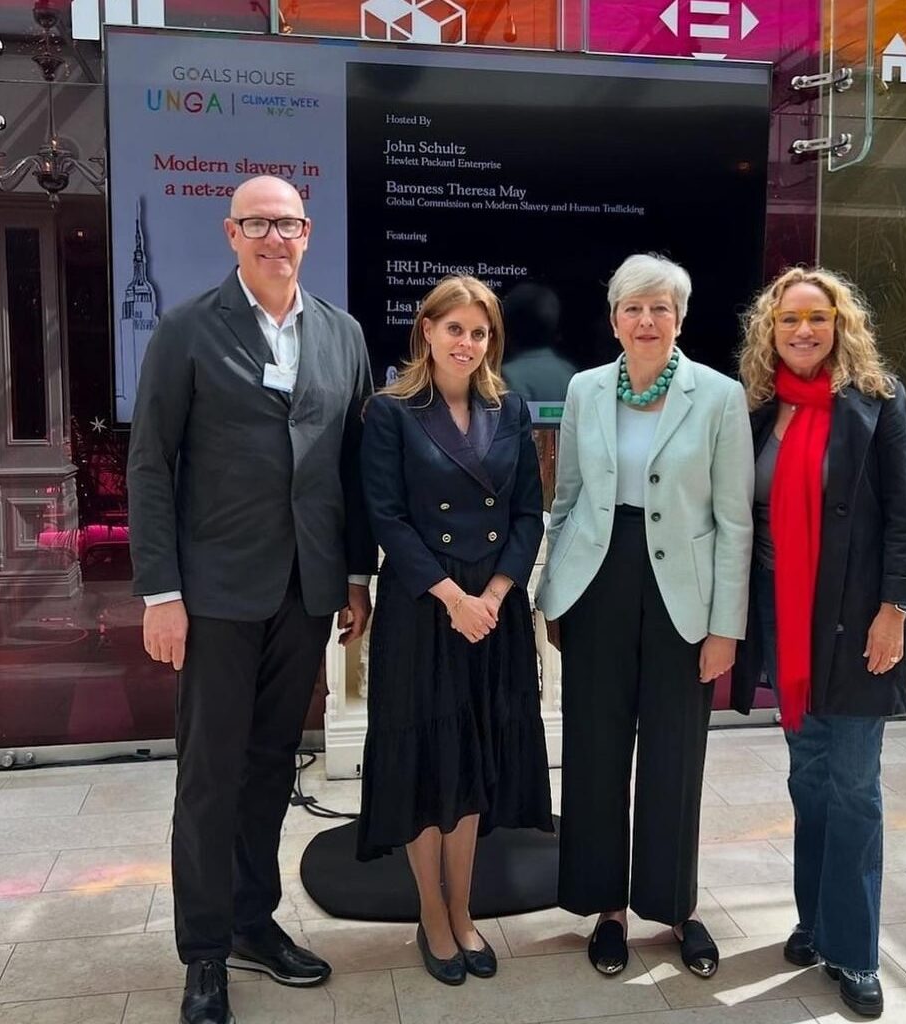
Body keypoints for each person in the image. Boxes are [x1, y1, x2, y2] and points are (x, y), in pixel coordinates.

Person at [127, 176, 376, 1024]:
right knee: (208, 776)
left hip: (306, 593)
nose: (277, 238)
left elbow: (352, 468)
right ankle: (203, 954)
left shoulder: (342, 335)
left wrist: (353, 575)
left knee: (272, 767)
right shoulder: (187, 330)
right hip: (215, 596)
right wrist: (162, 592)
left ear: (309, 234)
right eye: (259, 224)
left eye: (290, 224)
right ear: (232, 233)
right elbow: (151, 465)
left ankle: (249, 920)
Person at [536, 253, 754, 979]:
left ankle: (675, 906)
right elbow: (565, 500)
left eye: (660, 307)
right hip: (597, 580)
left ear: (681, 318)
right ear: (614, 320)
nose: (647, 320)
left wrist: (725, 626)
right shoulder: (584, 388)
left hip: (682, 594)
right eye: (633, 308)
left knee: (675, 752)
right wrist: (552, 594)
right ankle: (607, 909)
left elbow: (733, 521)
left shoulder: (720, 396)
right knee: (595, 750)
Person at [731, 267, 906, 1019]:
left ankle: (855, 950)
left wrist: (895, 610)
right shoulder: (758, 409)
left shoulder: (877, 403)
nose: (803, 330)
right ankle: (813, 920)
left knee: (853, 785)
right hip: (785, 617)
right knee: (808, 780)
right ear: (769, 331)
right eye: (788, 321)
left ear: (840, 324)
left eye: (817, 317)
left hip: (853, 619)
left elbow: (905, 518)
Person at [356, 275, 553, 986]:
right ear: (427, 332)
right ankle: (431, 918)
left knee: (471, 762)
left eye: (479, 332)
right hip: (424, 606)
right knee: (426, 764)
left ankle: (463, 909)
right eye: (454, 330)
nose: (466, 344)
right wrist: (453, 598)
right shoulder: (392, 411)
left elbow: (530, 512)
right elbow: (387, 517)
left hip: (490, 612)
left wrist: (497, 593)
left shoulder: (512, 407)